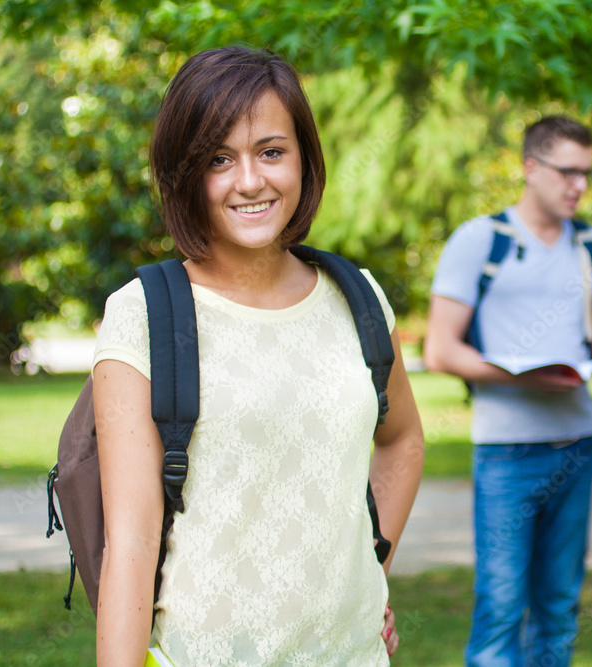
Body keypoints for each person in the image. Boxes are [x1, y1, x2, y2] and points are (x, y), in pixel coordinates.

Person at [92, 46, 425, 666]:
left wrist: (369, 567)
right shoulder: (142, 315)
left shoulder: (358, 299)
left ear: (304, 158)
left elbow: (402, 438)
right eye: (218, 159)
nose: (250, 181)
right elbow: (130, 544)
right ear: (184, 173)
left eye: (271, 152)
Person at [424, 115, 592, 666]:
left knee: (560, 608)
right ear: (530, 167)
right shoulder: (481, 240)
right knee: (500, 608)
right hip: (506, 452)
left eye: (587, 173)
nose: (580, 186)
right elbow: (440, 350)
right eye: (568, 172)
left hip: (577, 444)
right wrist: (523, 376)